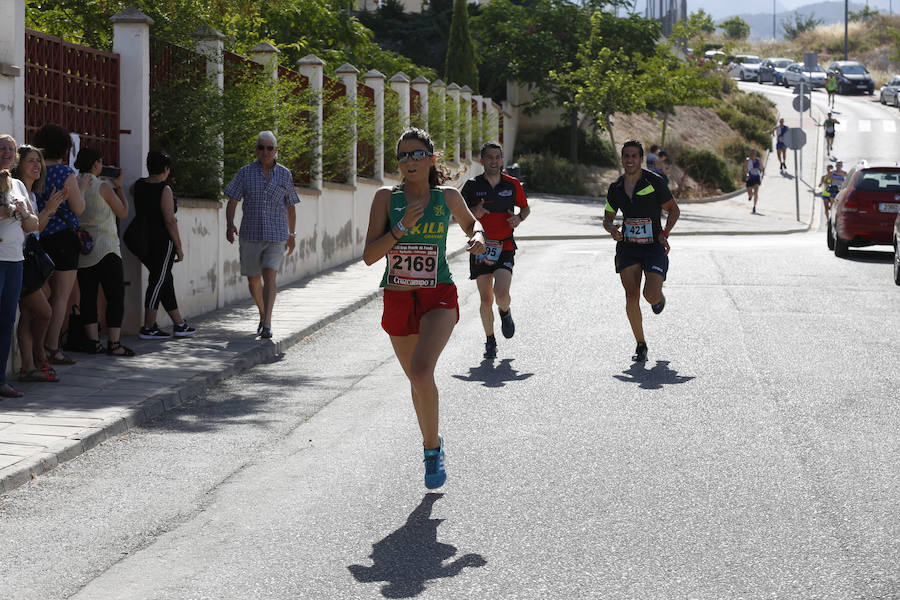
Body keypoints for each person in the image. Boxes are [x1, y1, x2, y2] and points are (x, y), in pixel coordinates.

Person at [362, 127, 485, 489]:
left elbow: (471, 225)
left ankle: (432, 454)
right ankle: (433, 442)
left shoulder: (447, 196)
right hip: (398, 297)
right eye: (403, 155)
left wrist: (476, 237)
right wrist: (400, 228)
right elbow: (370, 256)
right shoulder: (387, 198)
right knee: (418, 380)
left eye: (417, 154)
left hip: (438, 297)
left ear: (432, 159)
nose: (409, 161)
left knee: (420, 372)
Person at [603, 140, 680, 363]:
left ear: (641, 158)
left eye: (634, 156)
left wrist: (665, 232)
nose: (629, 160)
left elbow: (673, 210)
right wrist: (612, 230)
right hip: (628, 246)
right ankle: (641, 344)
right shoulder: (616, 187)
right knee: (631, 295)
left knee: (650, 295)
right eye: (626, 155)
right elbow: (607, 218)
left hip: (653, 246)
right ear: (622, 158)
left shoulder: (654, 182)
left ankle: (658, 297)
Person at [224, 131, 300, 339]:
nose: (265, 152)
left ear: (276, 151)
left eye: (269, 148)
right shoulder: (245, 172)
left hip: (276, 235)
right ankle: (262, 313)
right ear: (256, 150)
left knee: (269, 275)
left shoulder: (284, 174)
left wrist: (292, 234)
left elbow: (291, 206)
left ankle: (267, 323)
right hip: (250, 234)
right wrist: (229, 224)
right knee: (253, 279)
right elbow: (232, 200)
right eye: (261, 147)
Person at [461, 141, 529, 359]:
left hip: (505, 245)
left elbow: (525, 209)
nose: (493, 161)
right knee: (485, 299)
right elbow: (457, 213)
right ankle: (490, 341)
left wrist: (517, 218)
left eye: (497, 157)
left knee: (501, 294)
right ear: (482, 160)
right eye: (489, 157)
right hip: (480, 246)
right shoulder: (472, 186)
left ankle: (505, 311)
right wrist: (474, 211)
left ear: (502, 160)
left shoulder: (512, 184)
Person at [11, 144, 66, 382]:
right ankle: (38, 356)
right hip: (19, 260)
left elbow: (37, 230)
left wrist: (48, 211)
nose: (37, 166)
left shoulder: (31, 194)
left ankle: (28, 366)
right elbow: (29, 227)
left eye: (39, 161)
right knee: (44, 312)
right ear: (18, 165)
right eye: (31, 161)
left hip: (30, 261)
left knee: (29, 315)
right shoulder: (16, 192)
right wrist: (50, 209)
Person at [32, 123, 84, 366]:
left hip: (40, 236)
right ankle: (52, 347)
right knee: (61, 296)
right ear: (64, 147)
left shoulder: (34, 170)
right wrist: (82, 188)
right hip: (64, 237)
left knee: (42, 293)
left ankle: (35, 347)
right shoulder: (65, 173)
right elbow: (78, 208)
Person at [73, 147, 133, 356]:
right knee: (115, 295)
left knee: (88, 296)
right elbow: (123, 212)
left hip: (83, 248)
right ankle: (114, 344)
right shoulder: (102, 186)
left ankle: (93, 342)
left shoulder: (74, 183)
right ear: (97, 164)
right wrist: (119, 189)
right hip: (107, 248)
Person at [131, 150, 196, 340]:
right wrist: (179, 246)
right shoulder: (164, 189)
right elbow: (170, 220)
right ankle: (149, 327)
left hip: (142, 241)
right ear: (166, 169)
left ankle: (179, 324)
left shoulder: (138, 186)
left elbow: (135, 197)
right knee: (158, 282)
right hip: (161, 242)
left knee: (164, 280)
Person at [0, 154, 40, 397]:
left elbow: (33, 225)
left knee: (6, 322)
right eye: (0, 147)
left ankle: (1, 379)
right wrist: (7, 211)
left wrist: (24, 214)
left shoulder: (18, 185)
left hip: (15, 259)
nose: (5, 152)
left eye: (9, 149)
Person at [745, 148, 764, 214]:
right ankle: (750, 196)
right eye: (752, 153)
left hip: (756, 177)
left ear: (756, 154)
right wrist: (746, 174)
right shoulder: (748, 160)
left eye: (754, 153)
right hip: (750, 177)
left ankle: (754, 207)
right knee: (750, 194)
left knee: (756, 192)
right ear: (750, 154)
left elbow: (762, 168)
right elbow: (744, 168)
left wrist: (761, 174)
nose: (753, 154)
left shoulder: (758, 160)